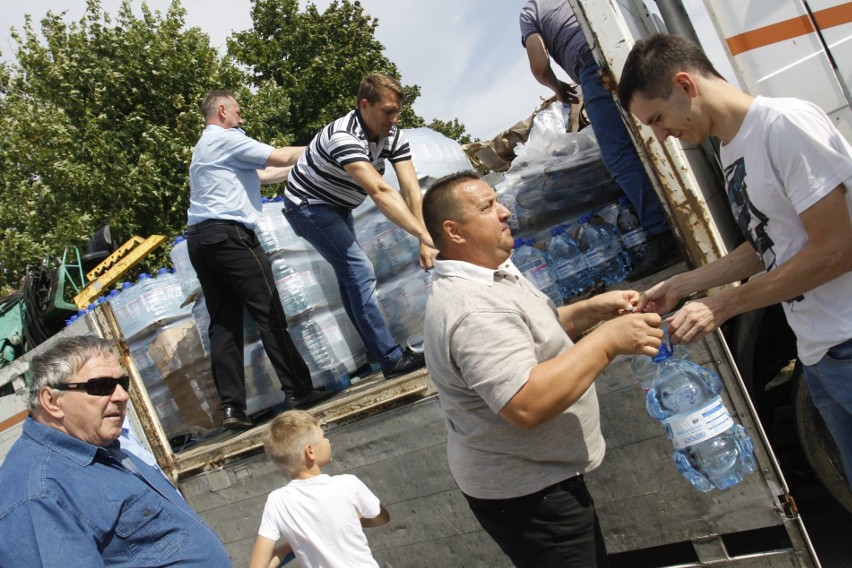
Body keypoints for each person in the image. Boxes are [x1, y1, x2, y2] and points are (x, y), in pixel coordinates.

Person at [618, 33, 852, 488]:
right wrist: (687, 285)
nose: (661, 134)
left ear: (685, 84)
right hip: (821, 353)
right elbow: (772, 239)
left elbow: (837, 248)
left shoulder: (783, 125)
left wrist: (723, 305)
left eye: (658, 118)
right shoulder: (733, 148)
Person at [421, 172, 663, 567]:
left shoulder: (494, 269)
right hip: (528, 497)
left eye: (498, 201)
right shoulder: (472, 308)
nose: (505, 212)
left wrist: (592, 309)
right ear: (454, 231)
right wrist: (607, 341)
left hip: (544, 479)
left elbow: (529, 334)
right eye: (487, 207)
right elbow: (526, 405)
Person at [0, 336, 232, 566]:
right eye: (101, 386)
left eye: (123, 383)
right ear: (51, 401)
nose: (122, 396)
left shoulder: (101, 446)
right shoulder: (39, 494)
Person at [187, 89, 333, 431]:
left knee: (223, 326)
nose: (242, 117)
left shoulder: (204, 148)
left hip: (201, 241)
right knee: (269, 313)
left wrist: (310, 163)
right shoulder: (225, 138)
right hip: (231, 237)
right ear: (222, 111)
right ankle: (298, 391)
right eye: (238, 111)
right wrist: (327, 146)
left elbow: (266, 174)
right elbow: (278, 157)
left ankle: (232, 409)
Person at [283, 73, 433, 380]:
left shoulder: (392, 134)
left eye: (397, 112)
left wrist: (424, 236)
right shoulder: (343, 136)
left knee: (351, 279)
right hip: (307, 205)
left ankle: (377, 351)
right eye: (387, 111)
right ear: (365, 105)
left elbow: (409, 187)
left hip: (338, 205)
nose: (393, 119)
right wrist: (423, 234)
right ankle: (390, 358)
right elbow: (380, 192)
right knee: (360, 271)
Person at [520, 0, 679, 280]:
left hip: (593, 64)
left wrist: (557, 88)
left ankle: (662, 234)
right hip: (637, 44)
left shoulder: (531, 10)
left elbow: (539, 65)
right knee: (667, 125)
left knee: (619, 154)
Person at [248, 410, 390, 568]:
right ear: (310, 451)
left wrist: (297, 542)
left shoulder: (277, 501)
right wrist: (353, 521)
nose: (328, 441)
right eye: (323, 436)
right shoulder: (347, 484)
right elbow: (381, 518)